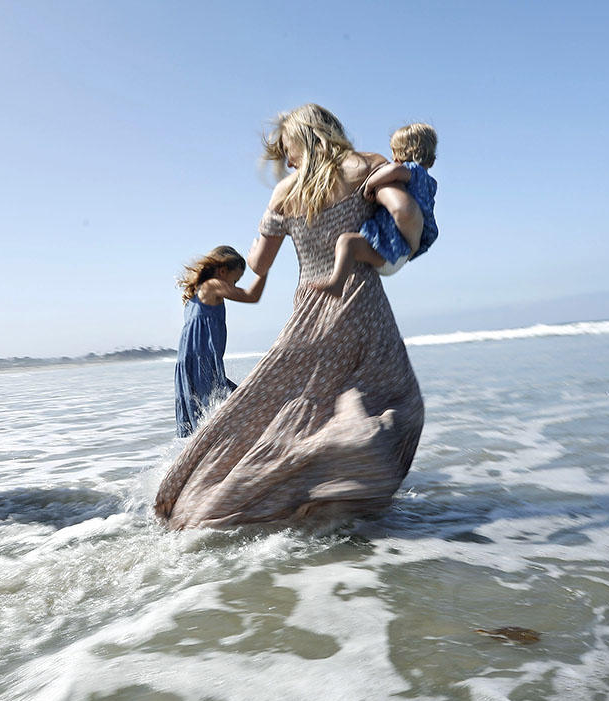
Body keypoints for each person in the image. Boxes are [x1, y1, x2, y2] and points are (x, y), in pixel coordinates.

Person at [155, 104, 424, 530]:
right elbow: (406, 214)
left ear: (301, 140)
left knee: (281, 410)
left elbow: (259, 264)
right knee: (395, 406)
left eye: (288, 150)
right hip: (361, 307)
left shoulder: (283, 194)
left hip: (307, 314)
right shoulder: (368, 166)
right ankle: (344, 495)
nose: (288, 161)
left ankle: (212, 499)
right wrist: (404, 249)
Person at [313, 123, 439, 298]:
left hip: (389, 248)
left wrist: (369, 185)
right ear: (432, 160)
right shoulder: (430, 183)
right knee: (350, 244)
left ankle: (336, 283)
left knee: (347, 242)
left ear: (397, 156)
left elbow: (394, 171)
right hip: (402, 253)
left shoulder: (411, 171)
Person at [174, 245, 267, 437]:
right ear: (222, 271)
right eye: (234, 280)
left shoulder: (196, 294)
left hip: (191, 365)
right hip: (201, 364)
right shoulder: (211, 286)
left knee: (208, 418)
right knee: (235, 407)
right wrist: (263, 269)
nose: (233, 286)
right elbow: (251, 296)